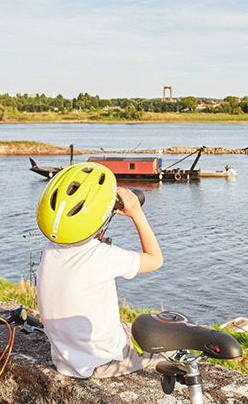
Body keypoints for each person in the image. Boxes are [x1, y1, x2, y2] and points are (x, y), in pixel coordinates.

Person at [34, 162, 165, 379]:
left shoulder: (50, 251)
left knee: (129, 327)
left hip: (65, 359)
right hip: (103, 362)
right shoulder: (102, 256)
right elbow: (155, 259)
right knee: (173, 346)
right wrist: (136, 213)